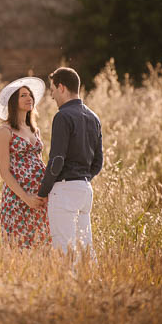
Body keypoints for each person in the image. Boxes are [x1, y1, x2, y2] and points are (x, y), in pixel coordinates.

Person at [37, 67, 103, 255]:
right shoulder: (93, 117)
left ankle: (69, 284)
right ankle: (89, 283)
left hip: (64, 191)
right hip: (85, 190)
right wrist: (81, 178)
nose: (52, 97)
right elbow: (98, 163)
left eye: (53, 91)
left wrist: (43, 191)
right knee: (85, 250)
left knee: (63, 250)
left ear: (62, 88)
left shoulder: (62, 116)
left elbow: (57, 160)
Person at [0, 77, 51, 249]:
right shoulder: (5, 132)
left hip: (40, 197)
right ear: (13, 102)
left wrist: (45, 192)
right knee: (19, 248)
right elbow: (4, 173)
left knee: (42, 245)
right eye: (23, 95)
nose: (29, 99)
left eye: (30, 95)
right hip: (18, 198)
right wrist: (26, 198)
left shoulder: (35, 130)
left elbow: (39, 162)